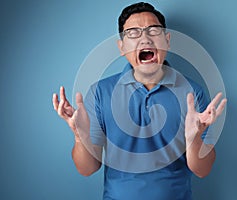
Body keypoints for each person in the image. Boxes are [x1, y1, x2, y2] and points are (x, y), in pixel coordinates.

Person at [52, 2, 227, 200]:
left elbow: (202, 171)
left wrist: (194, 139)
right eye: (133, 33)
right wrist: (79, 135)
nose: (145, 38)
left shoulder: (192, 93)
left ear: (167, 41)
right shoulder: (101, 92)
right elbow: (87, 169)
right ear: (121, 47)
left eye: (154, 31)